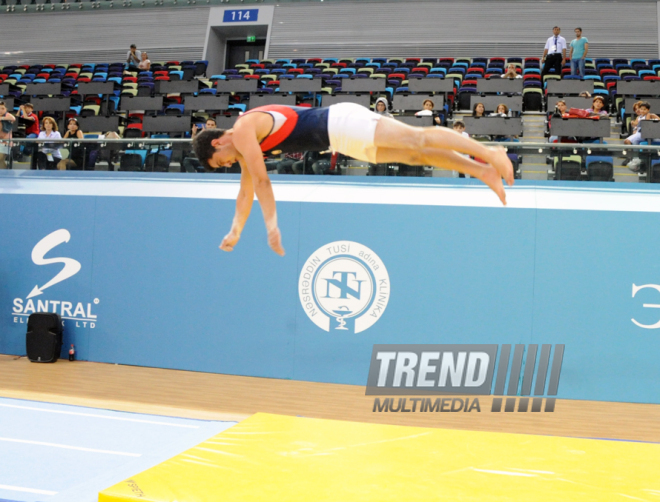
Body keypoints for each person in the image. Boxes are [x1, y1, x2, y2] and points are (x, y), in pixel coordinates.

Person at [192, 103, 514, 255]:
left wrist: (273, 228)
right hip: (339, 140)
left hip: (340, 121)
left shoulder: (245, 129)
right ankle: (483, 171)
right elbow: (245, 195)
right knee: (415, 155)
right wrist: (235, 232)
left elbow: (262, 184)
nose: (228, 165)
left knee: (417, 139)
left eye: (221, 162)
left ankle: (489, 153)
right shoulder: (248, 149)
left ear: (218, 142)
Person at [624, 101, 660, 171]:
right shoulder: (638, 117)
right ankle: (635, 158)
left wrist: (652, 117)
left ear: (648, 110)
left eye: (644, 109)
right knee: (633, 141)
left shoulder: (650, 115)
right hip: (640, 133)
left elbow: (649, 122)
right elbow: (636, 124)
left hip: (650, 133)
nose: (642, 111)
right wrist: (633, 123)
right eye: (641, 109)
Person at [0, 100, 16, 169]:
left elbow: (13, 118)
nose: (0, 110)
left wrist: (1, 118)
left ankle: (4, 174)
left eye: (2, 108)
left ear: (6, 109)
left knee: (0, 158)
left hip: (5, 142)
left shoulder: (7, 115)